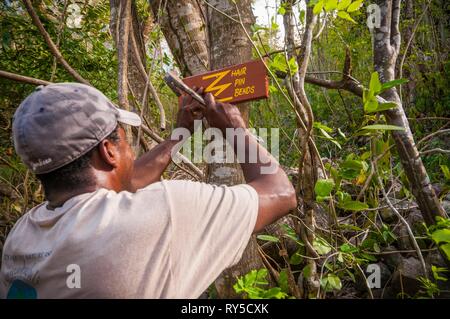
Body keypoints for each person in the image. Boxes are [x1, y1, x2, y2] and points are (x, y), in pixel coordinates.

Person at [0, 83, 296, 298]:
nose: (129, 149)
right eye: (123, 138)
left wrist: (178, 136)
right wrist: (234, 128)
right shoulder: (168, 209)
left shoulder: (21, 236)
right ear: (108, 151)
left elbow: (122, 184)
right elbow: (280, 193)